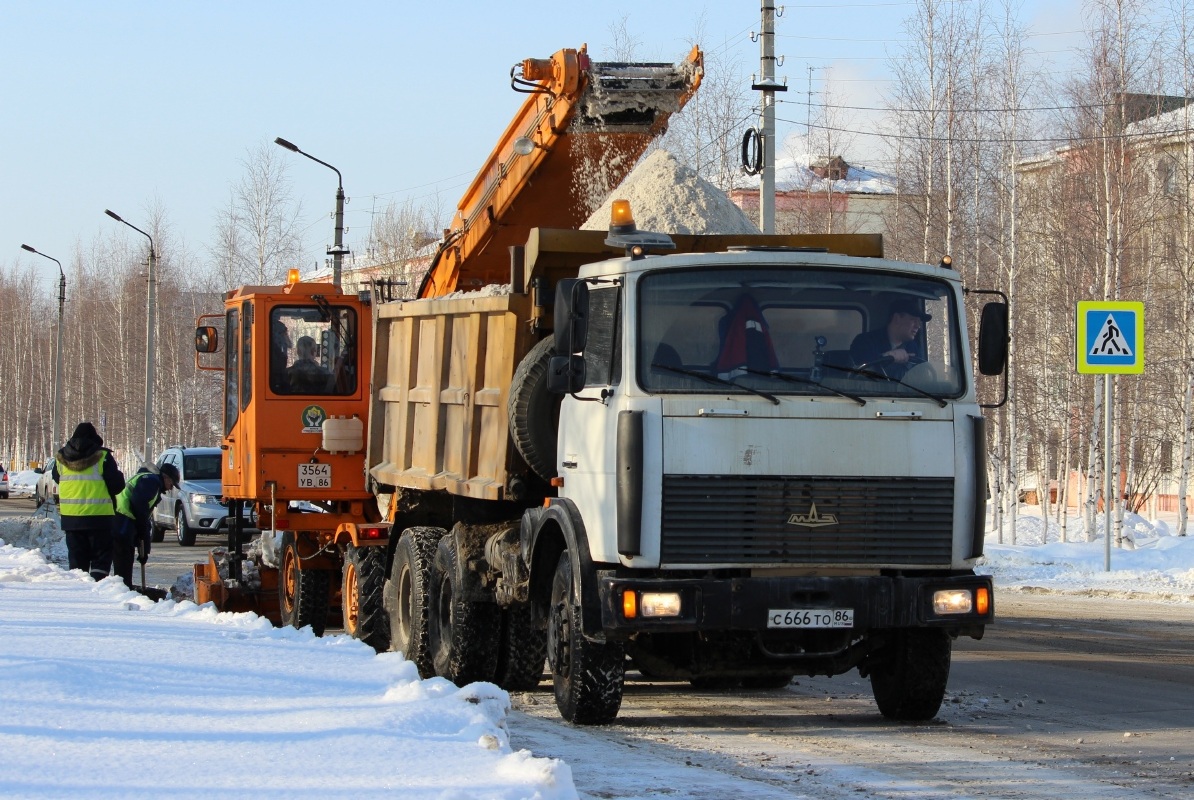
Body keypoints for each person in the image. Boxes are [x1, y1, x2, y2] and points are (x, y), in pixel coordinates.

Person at [53, 422, 125, 581]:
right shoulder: (103, 457)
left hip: (71, 519)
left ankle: (80, 592)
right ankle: (98, 588)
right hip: (99, 518)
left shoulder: (60, 458)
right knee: (101, 559)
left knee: (77, 563)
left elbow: (57, 479)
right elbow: (117, 485)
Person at [111, 463, 179, 590]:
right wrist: (141, 531)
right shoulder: (151, 481)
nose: (171, 488)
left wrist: (144, 549)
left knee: (126, 559)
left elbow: (144, 516)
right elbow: (139, 506)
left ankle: (125, 588)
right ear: (166, 477)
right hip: (122, 521)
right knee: (123, 560)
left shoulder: (150, 480)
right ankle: (122, 590)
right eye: (172, 483)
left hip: (123, 521)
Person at [849, 297, 931, 379]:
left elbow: (921, 377)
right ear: (897, 318)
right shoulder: (864, 341)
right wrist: (886, 357)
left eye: (919, 322)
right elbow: (860, 376)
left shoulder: (913, 347)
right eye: (913, 320)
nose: (918, 326)